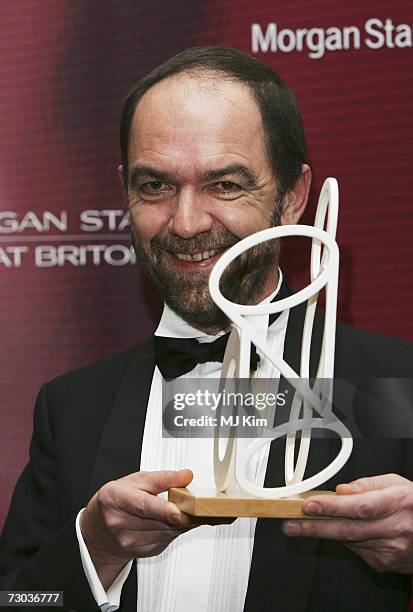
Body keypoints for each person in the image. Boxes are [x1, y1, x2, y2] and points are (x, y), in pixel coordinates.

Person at [1, 46, 413, 612]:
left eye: (224, 185)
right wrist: (93, 549)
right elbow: (23, 600)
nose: (187, 222)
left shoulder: (389, 382)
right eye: (156, 186)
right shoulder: (72, 407)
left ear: (292, 197)